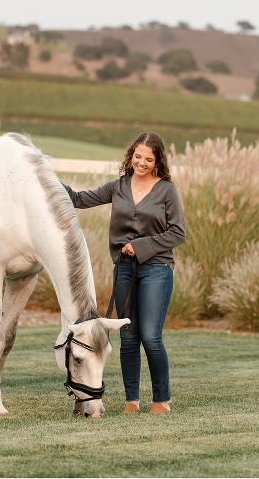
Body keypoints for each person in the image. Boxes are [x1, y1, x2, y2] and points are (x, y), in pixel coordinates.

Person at [62, 131, 186, 414]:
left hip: (157, 268)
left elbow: (178, 233)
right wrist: (45, 178)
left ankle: (161, 401)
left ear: (157, 162)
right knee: (128, 337)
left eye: (148, 159)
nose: (141, 163)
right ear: (131, 155)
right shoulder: (118, 186)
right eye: (137, 156)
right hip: (124, 270)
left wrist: (140, 245)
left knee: (151, 336)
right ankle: (132, 401)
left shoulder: (167, 191)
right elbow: (79, 199)